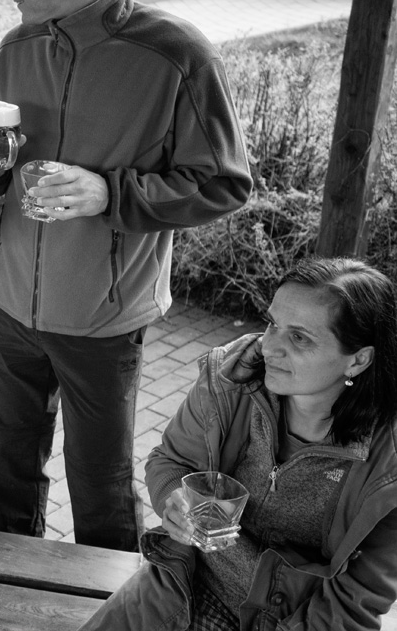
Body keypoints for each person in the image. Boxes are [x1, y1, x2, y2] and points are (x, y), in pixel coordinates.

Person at [0, 0, 253, 550]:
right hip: (6, 306)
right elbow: (11, 175)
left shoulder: (177, 54)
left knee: (100, 488)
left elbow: (224, 183)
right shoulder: (13, 50)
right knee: (5, 473)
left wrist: (108, 193)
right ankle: (13, 589)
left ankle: (107, 601)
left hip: (102, 320)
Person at [82, 257, 397, 630]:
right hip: (184, 581)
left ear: (358, 360)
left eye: (299, 337)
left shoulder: (387, 464)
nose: (269, 347)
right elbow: (170, 461)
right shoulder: (231, 376)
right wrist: (174, 499)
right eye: (272, 324)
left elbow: (355, 599)